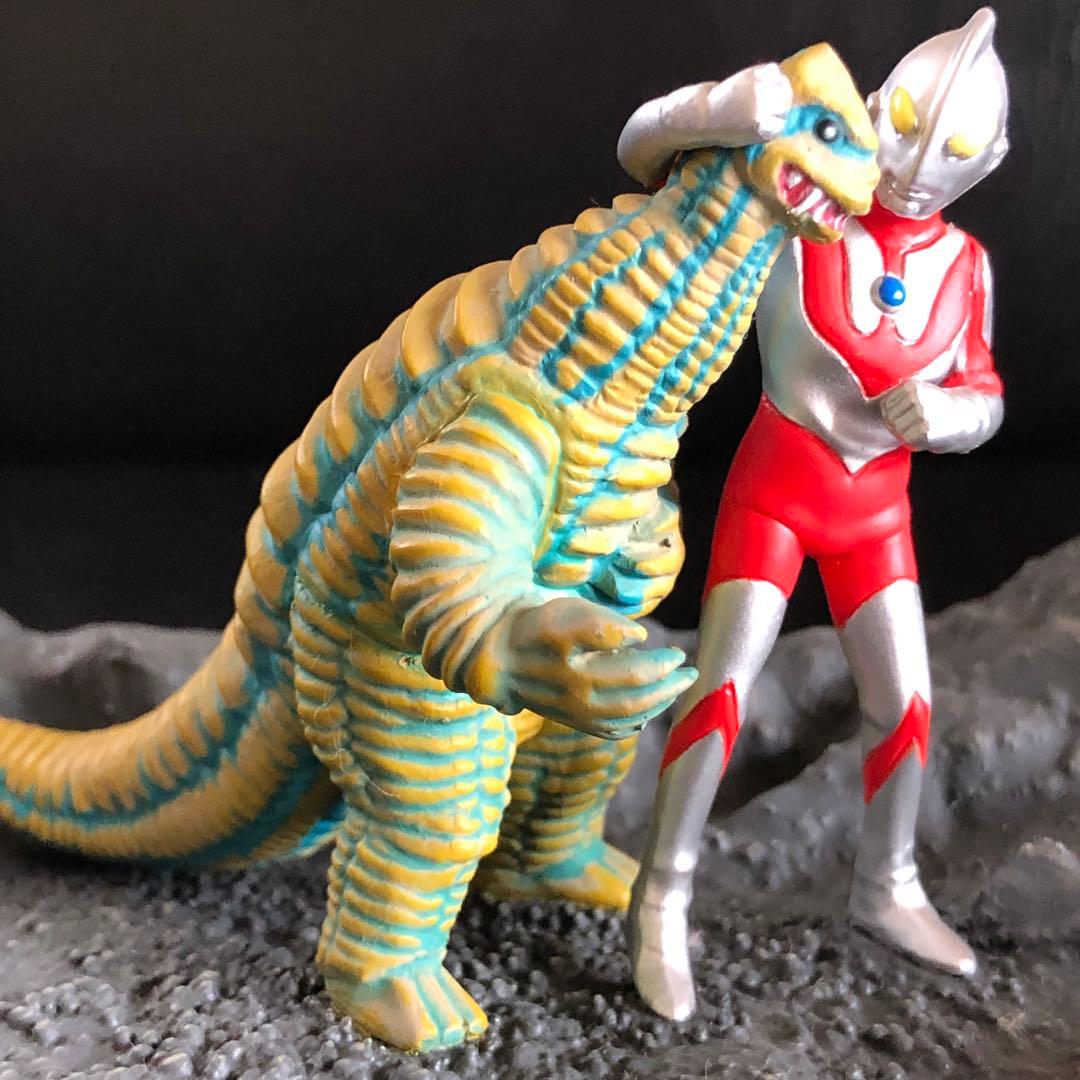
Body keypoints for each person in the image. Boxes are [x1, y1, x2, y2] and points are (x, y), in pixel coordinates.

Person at [619, 8, 1010, 1020]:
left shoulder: (965, 267)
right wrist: (719, 111)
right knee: (719, 695)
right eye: (907, 124)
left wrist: (955, 415)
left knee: (907, 704)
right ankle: (662, 895)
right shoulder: (810, 207)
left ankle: (889, 884)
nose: (917, 163)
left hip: (877, 515)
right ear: (876, 107)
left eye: (956, 147)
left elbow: (986, 390)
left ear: (992, 160)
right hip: (775, 495)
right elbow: (646, 157)